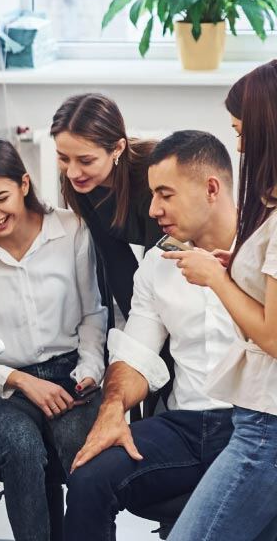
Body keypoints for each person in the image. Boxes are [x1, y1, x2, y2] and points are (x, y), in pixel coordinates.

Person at [63, 130, 240, 541]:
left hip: (254, 427)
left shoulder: (266, 250)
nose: (154, 208)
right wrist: (111, 411)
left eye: (165, 194)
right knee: (89, 477)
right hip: (186, 426)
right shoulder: (157, 265)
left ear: (211, 189)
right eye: (152, 194)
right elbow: (136, 354)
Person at [0, 139, 106, 541]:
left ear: (24, 184)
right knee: (21, 446)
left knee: (79, 446)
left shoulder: (71, 230)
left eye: (0, 197)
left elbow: (94, 312)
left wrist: (89, 369)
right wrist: (18, 380)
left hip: (69, 372)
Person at [165, 60, 277, 540]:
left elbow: (273, 335)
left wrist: (217, 278)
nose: (240, 145)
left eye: (241, 130)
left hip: (264, 430)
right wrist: (240, 269)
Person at [51, 93, 162, 324]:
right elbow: (113, 259)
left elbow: (157, 270)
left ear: (118, 148)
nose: (72, 172)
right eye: (63, 158)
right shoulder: (79, 184)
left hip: (180, 264)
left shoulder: (153, 172)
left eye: (86, 161)